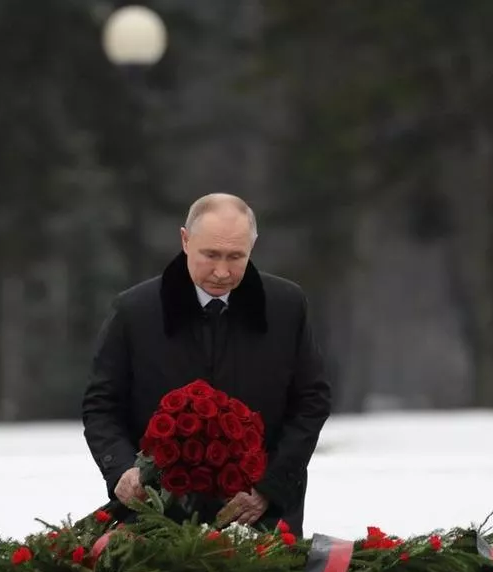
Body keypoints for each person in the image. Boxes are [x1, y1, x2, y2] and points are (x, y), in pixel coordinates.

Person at [82, 193, 331, 534]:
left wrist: (269, 488)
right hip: (153, 516)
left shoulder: (287, 307)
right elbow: (102, 406)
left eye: (235, 257)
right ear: (185, 240)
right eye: (210, 255)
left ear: (252, 246)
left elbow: (311, 402)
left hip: (261, 515)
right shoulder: (134, 312)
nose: (222, 271)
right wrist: (123, 470)